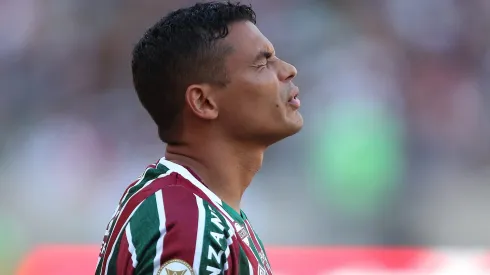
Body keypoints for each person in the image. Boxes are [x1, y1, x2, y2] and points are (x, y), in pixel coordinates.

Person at [95, 1, 302, 274]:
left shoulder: (196, 209)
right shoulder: (188, 224)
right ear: (203, 102)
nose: (288, 70)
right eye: (262, 63)